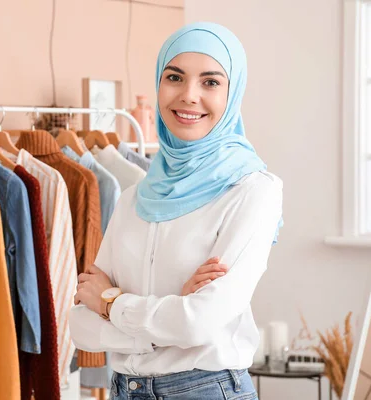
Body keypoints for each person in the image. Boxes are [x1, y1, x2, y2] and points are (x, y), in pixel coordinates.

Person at [69, 22, 283, 400]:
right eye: (175, 77)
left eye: (211, 82)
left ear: (233, 94)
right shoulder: (134, 197)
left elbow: (199, 323)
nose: (188, 95)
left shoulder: (253, 190)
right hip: (124, 390)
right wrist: (169, 315)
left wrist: (111, 302)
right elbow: (80, 327)